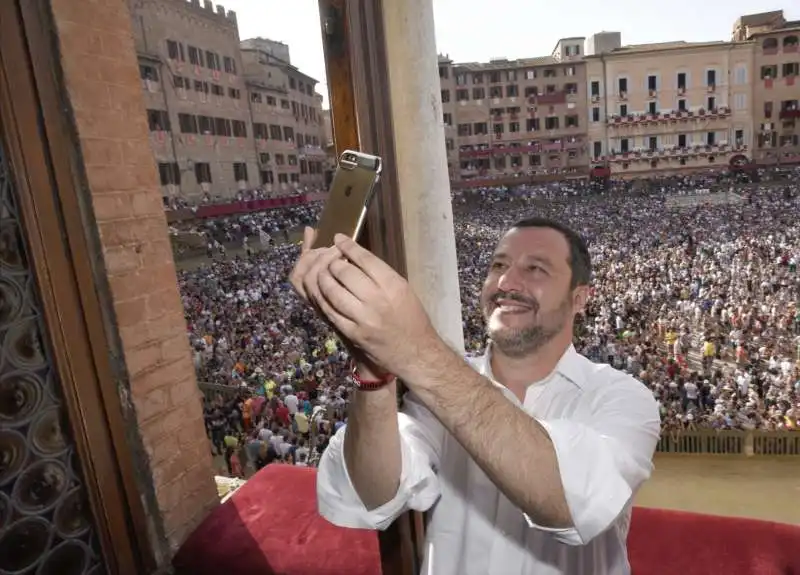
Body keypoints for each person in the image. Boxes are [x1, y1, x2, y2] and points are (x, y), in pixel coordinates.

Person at [290, 219, 661, 575]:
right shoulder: (432, 392)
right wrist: (373, 371)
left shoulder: (621, 397)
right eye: (499, 264)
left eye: (536, 269)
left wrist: (416, 351)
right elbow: (374, 498)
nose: (506, 281)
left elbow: (569, 502)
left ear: (579, 298)